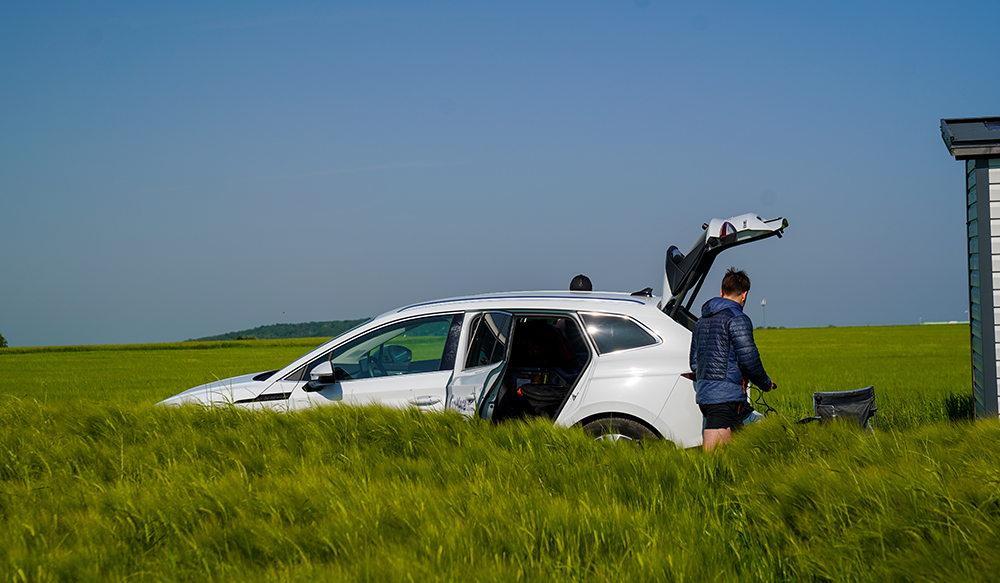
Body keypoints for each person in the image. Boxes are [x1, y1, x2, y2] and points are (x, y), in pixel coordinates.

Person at [689, 268, 775, 451]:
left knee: (738, 451)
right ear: (744, 295)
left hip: (706, 395)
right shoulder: (738, 319)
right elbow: (749, 359)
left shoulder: (701, 321)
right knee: (715, 461)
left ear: (721, 292)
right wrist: (766, 383)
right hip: (725, 397)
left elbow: (694, 363)